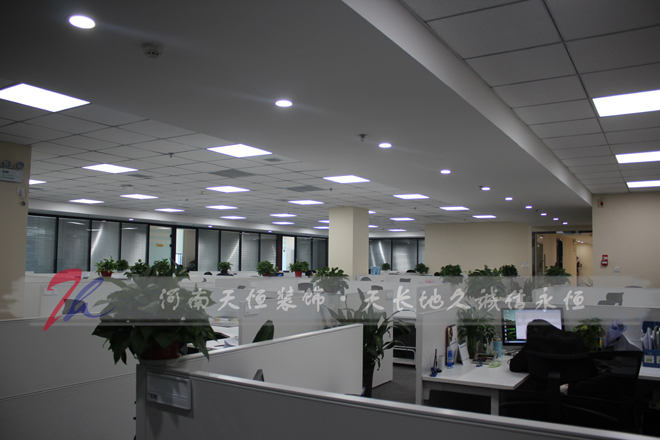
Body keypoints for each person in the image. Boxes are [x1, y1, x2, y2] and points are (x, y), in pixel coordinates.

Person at [509, 319, 588, 373]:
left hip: (544, 389)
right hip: (576, 388)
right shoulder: (574, 338)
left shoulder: (534, 343)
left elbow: (514, 366)